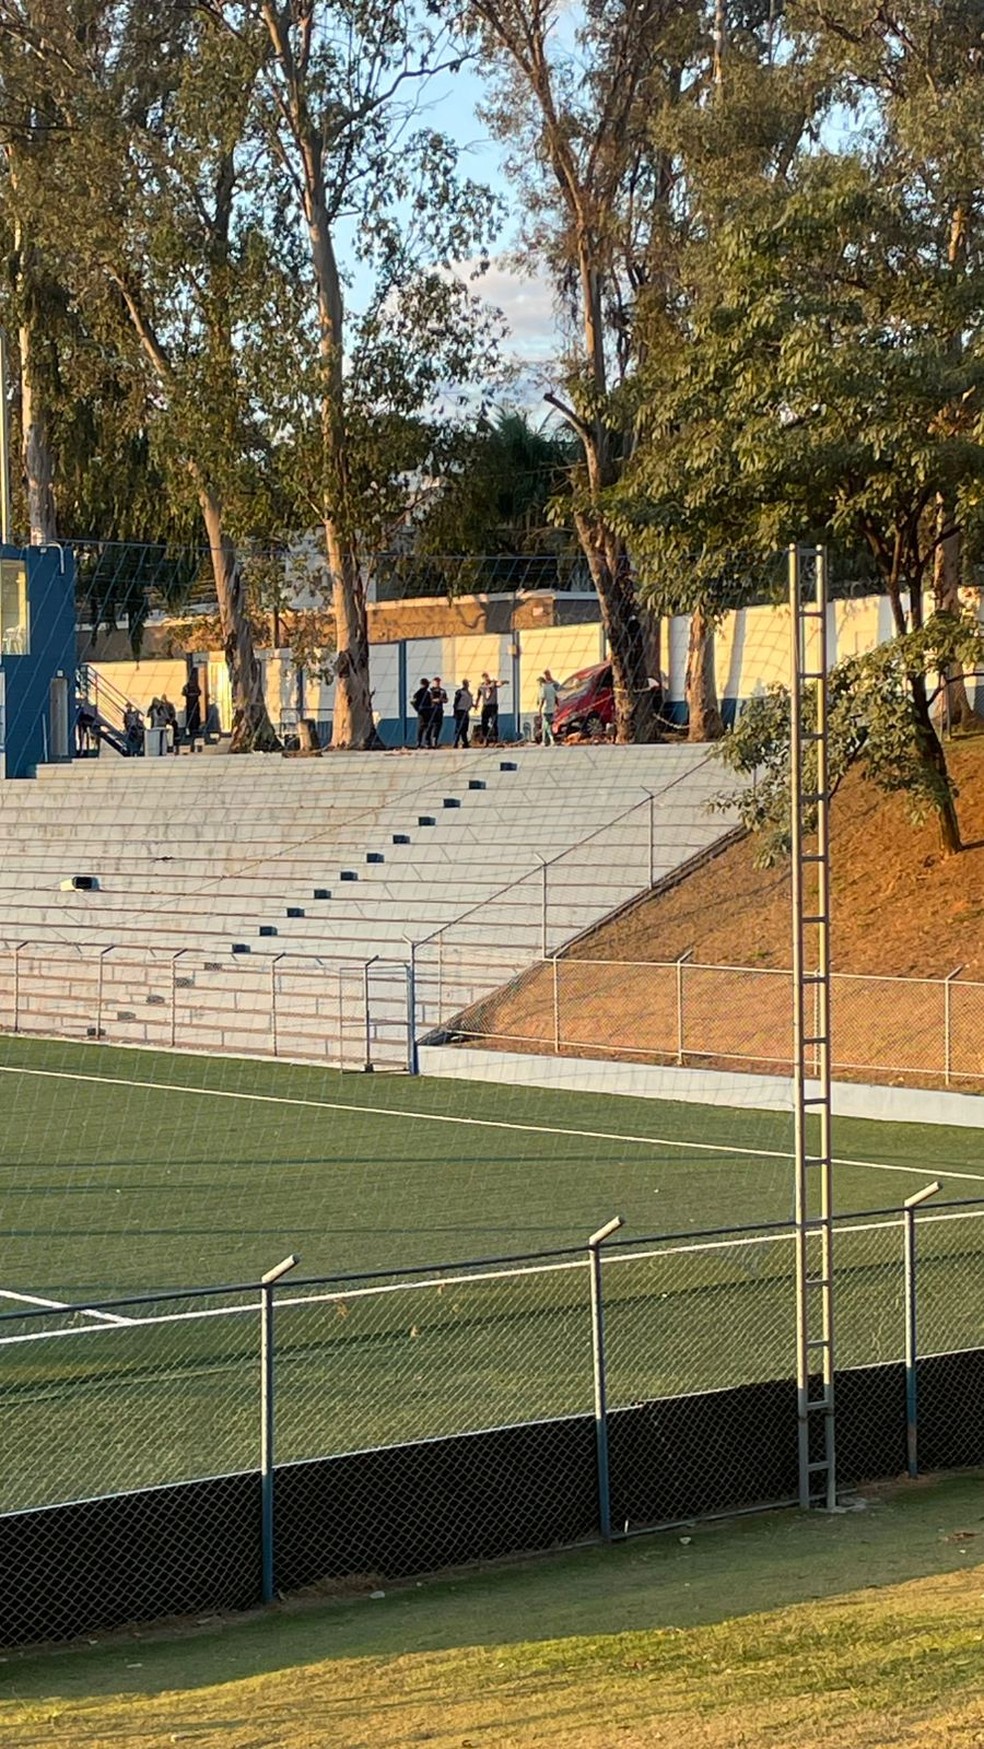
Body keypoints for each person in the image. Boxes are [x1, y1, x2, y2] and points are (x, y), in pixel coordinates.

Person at [477, 672, 505, 745]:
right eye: (484, 677)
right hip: (486, 706)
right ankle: (485, 738)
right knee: (484, 722)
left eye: (487, 677)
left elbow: (499, 684)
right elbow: (478, 696)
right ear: (483, 678)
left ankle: (496, 738)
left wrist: (503, 682)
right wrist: (476, 704)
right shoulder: (481, 686)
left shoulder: (493, 684)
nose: (486, 679)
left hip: (493, 706)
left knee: (494, 722)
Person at [182, 667, 203, 753]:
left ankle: (195, 732)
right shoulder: (187, 686)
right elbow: (183, 693)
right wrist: (188, 694)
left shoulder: (195, 686)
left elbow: (199, 692)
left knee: (195, 722)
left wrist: (194, 695)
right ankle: (191, 734)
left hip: (195, 707)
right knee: (190, 722)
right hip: (190, 707)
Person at [538, 669, 560, 745]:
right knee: (546, 725)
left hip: (545, 709)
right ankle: (545, 741)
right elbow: (556, 698)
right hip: (552, 709)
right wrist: (557, 706)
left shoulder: (543, 688)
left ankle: (550, 740)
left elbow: (542, 700)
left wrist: (539, 710)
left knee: (546, 726)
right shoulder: (552, 686)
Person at [411, 676, 432, 748]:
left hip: (427, 712)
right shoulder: (418, 693)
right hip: (422, 713)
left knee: (427, 727)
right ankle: (419, 743)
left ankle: (426, 743)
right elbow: (413, 702)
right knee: (422, 728)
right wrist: (418, 710)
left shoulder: (428, 693)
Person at [426, 676, 447, 747]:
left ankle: (435, 741)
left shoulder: (442, 691)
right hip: (432, 711)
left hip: (439, 711)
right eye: (436, 682)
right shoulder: (430, 691)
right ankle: (428, 742)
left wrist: (443, 700)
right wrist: (435, 700)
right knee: (430, 726)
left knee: (438, 726)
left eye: (438, 682)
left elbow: (445, 700)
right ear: (433, 683)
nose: (437, 683)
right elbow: (429, 699)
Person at [452, 679, 474, 748]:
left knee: (465, 728)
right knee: (459, 728)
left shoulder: (469, 693)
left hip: (466, 711)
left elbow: (469, 702)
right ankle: (455, 743)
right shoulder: (460, 692)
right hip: (460, 711)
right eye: (466, 683)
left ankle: (465, 743)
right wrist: (455, 712)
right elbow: (455, 703)